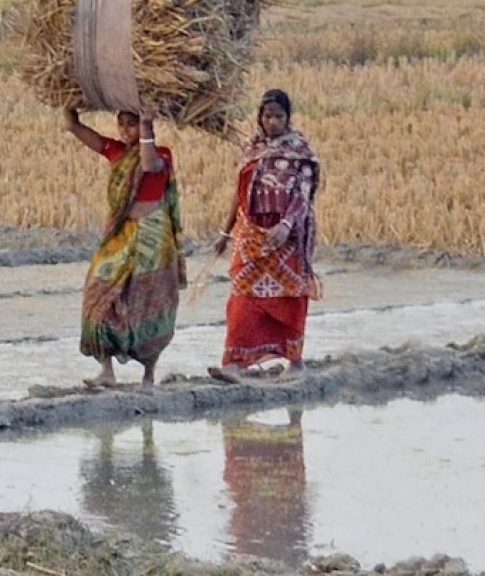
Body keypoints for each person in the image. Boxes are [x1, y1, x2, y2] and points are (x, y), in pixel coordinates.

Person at [63, 108, 184, 388]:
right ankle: (106, 369)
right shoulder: (117, 152)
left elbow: (147, 164)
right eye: (122, 125)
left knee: (147, 301)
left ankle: (148, 373)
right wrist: (72, 121)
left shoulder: (162, 154)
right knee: (98, 291)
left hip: (152, 237)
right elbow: (90, 138)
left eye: (131, 125)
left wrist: (145, 128)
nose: (125, 130)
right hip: (122, 234)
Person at [212, 89, 322, 381]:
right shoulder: (252, 149)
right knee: (243, 297)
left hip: (287, 238)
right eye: (267, 116)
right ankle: (234, 362)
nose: (272, 122)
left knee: (289, 298)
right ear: (260, 117)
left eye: (278, 116)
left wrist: (286, 225)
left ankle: (295, 363)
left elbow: (303, 194)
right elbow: (239, 194)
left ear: (288, 118)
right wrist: (225, 232)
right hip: (251, 234)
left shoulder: (300, 151)